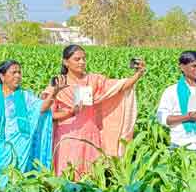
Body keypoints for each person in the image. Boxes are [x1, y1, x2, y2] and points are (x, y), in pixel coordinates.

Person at [44, 45, 145, 178]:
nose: (82, 62)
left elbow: (118, 87)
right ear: (65, 62)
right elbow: (48, 115)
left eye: (84, 59)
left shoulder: (94, 80)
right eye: (77, 59)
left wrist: (138, 74)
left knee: (91, 178)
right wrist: (70, 112)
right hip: (67, 138)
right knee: (67, 178)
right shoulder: (58, 83)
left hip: (91, 137)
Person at [0, 59, 57, 177]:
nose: (18, 76)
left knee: (18, 182)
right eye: (13, 72)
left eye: (19, 73)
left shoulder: (25, 96)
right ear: (2, 76)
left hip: (21, 150)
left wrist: (55, 92)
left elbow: (41, 108)